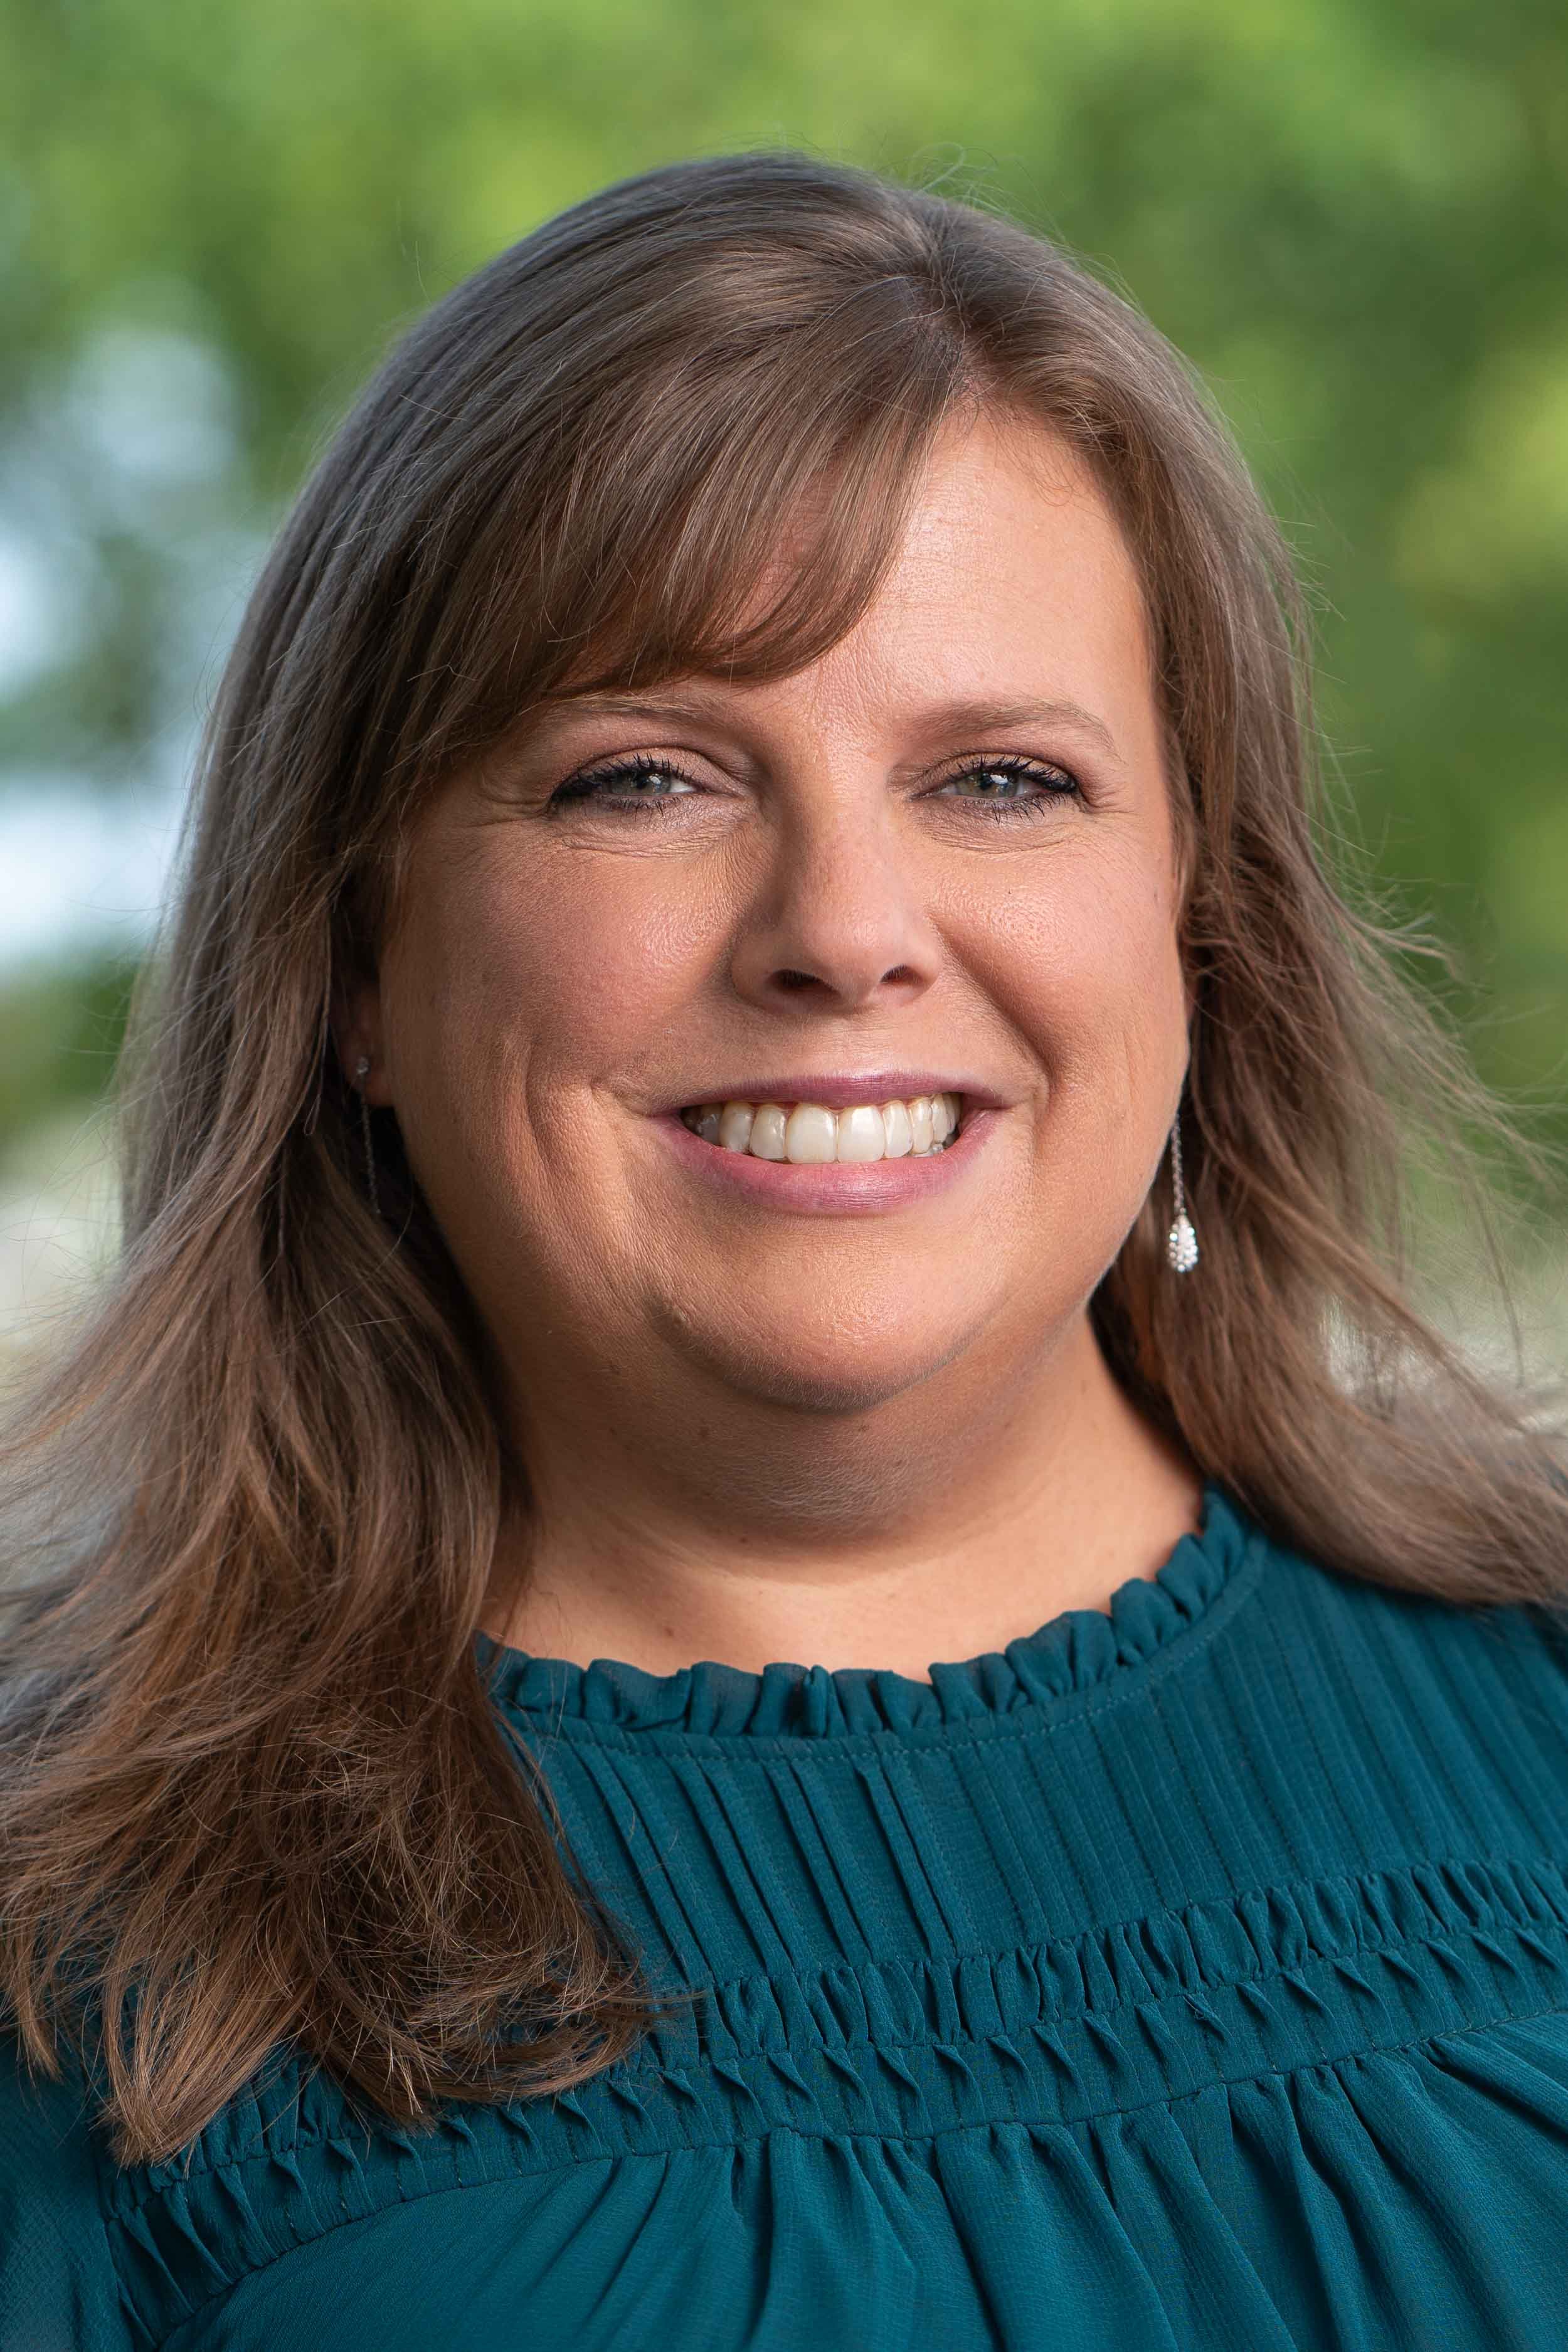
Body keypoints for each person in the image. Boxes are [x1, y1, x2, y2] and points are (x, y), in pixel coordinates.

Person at [3, 147, 1567, 2352]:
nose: (842, 932)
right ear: (352, 958)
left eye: (1002, 780)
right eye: (645, 778)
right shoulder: (64, 1960)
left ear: (1195, 920)